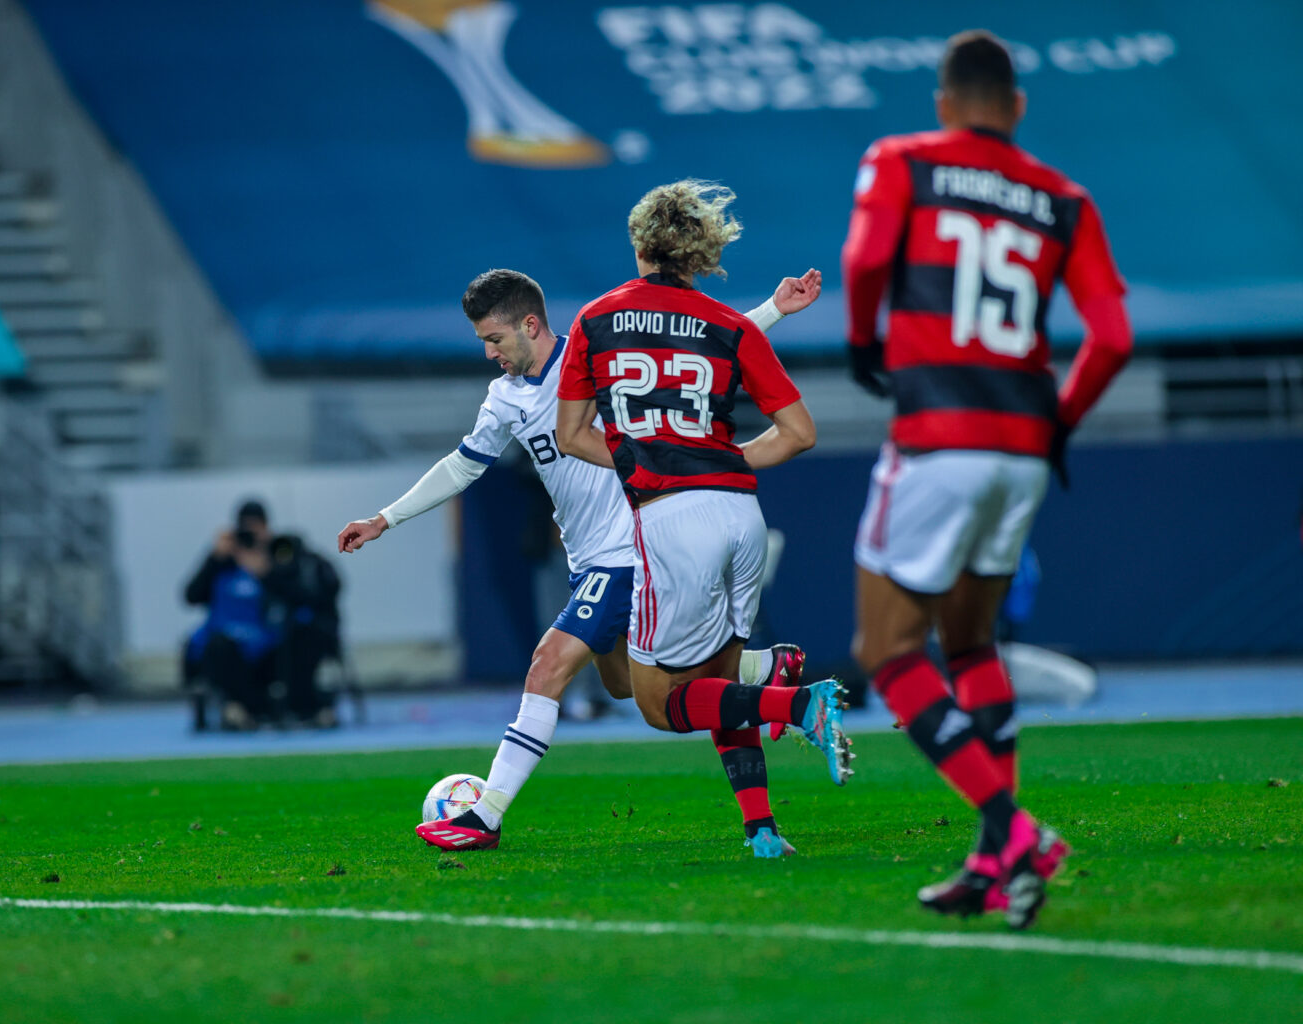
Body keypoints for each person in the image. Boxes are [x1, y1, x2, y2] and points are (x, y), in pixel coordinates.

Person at [339, 267, 848, 856]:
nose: (489, 353)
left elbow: (690, 344)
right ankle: (762, 670)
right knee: (624, 685)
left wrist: (772, 312)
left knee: (546, 666)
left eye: (495, 339)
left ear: (531, 324)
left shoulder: (594, 352)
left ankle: (486, 814)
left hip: (629, 548)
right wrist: (385, 518)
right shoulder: (504, 397)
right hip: (590, 558)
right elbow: (461, 465)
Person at [840, 29, 1132, 928]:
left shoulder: (905, 159)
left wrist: (862, 344)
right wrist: (1059, 424)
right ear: (1017, 108)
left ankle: (1012, 833)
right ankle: (987, 865)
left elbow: (862, 262)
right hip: (1021, 448)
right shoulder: (1063, 198)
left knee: (886, 653)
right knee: (970, 646)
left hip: (938, 438)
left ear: (942, 103)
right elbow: (1112, 337)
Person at [555, 181, 852, 844]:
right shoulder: (731, 325)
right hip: (739, 512)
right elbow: (800, 433)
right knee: (719, 680)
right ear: (702, 252)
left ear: (639, 243)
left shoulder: (596, 319)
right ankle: (762, 830)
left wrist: (648, 462)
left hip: (670, 520)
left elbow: (573, 434)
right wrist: (720, 461)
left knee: (659, 704)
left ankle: (800, 702)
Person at [184, 501, 284, 729]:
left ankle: (246, 708)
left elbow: (291, 595)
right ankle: (240, 707)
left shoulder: (275, 555)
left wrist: (265, 570)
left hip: (264, 644)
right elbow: (191, 596)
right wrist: (214, 557)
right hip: (226, 646)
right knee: (215, 647)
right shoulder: (221, 562)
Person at [265, 532, 343, 727]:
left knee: (305, 646)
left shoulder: (315, 566)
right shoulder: (274, 572)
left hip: (319, 635)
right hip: (284, 638)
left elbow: (328, 591)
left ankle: (313, 708)